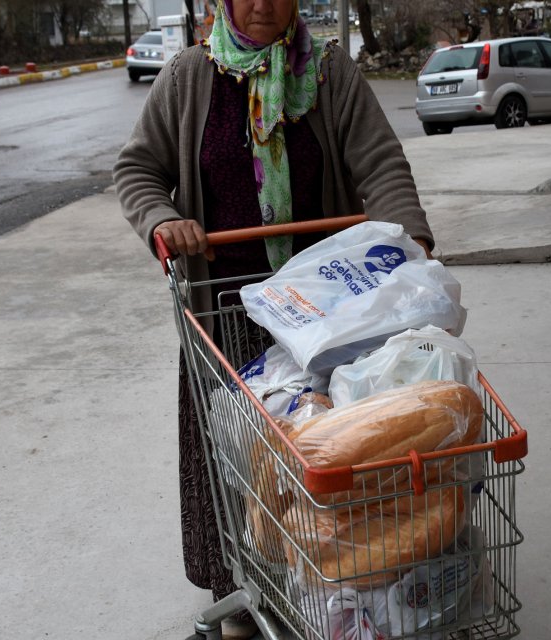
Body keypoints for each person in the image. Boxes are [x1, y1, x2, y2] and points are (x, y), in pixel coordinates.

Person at [114, 1, 432, 637]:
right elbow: (137, 170)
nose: (264, 5)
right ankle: (236, 593)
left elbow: (381, 165)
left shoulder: (330, 73)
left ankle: (326, 592)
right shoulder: (186, 78)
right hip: (227, 313)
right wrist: (163, 220)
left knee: (323, 456)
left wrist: (413, 250)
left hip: (323, 315)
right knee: (238, 466)